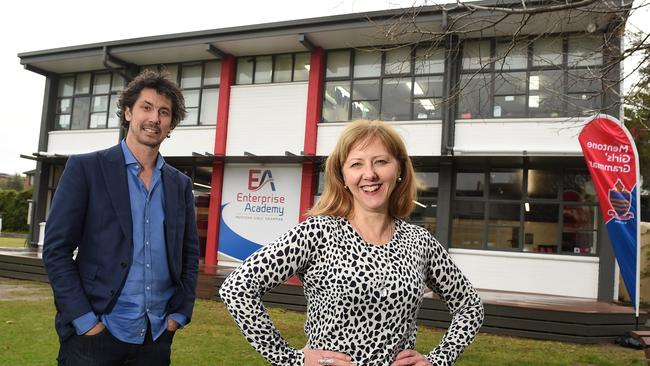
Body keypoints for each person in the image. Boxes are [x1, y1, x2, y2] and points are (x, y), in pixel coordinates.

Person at [219, 120, 484, 366]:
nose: (369, 174)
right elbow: (237, 289)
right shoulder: (317, 233)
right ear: (343, 176)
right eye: (356, 164)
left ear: (399, 169)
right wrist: (290, 359)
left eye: (381, 161)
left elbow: (470, 306)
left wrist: (437, 360)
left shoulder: (419, 241)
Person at [43, 69, 200, 366]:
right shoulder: (86, 169)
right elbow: (56, 249)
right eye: (146, 107)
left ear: (170, 124)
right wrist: (84, 319)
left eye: (164, 112)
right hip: (95, 335)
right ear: (128, 112)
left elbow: (189, 254)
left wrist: (179, 314)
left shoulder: (179, 184)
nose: (154, 118)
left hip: (155, 338)